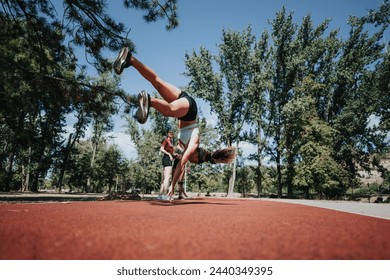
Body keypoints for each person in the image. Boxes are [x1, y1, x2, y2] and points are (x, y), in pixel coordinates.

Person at [114, 47, 236, 201]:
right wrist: (172, 186)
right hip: (189, 109)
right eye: (194, 161)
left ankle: (129, 59)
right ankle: (149, 100)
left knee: (157, 82)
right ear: (197, 157)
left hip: (183, 99)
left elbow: (179, 159)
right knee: (170, 110)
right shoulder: (193, 146)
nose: (191, 161)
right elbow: (182, 165)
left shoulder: (186, 147)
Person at [158, 130, 174, 199]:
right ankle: (165, 195)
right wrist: (169, 154)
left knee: (165, 178)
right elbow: (161, 149)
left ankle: (160, 195)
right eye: (169, 133)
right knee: (168, 177)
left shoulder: (171, 142)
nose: (171, 134)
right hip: (166, 159)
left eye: (172, 133)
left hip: (168, 158)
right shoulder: (166, 141)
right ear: (167, 134)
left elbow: (171, 152)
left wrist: (174, 155)